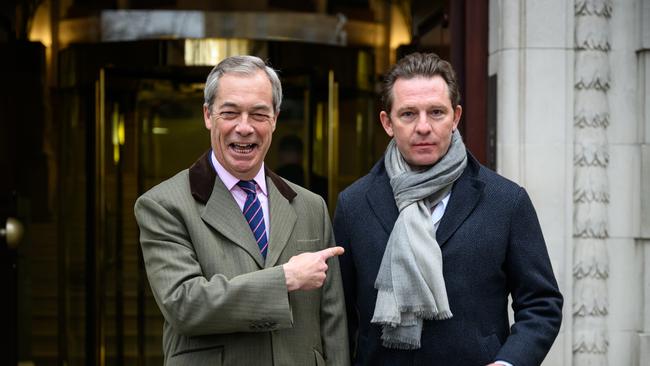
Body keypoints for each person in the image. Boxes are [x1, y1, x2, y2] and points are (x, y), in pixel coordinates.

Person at [333, 52, 563, 366]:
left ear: (455, 118)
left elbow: (541, 303)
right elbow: (339, 316)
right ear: (387, 122)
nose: (423, 126)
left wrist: (509, 362)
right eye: (409, 114)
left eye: (436, 112)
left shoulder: (506, 201)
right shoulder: (354, 204)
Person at [134, 55, 349, 366]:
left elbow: (333, 321)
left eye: (259, 114)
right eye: (230, 113)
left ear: (275, 118)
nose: (244, 128)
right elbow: (184, 305)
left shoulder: (310, 206)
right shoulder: (164, 205)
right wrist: (284, 279)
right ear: (208, 115)